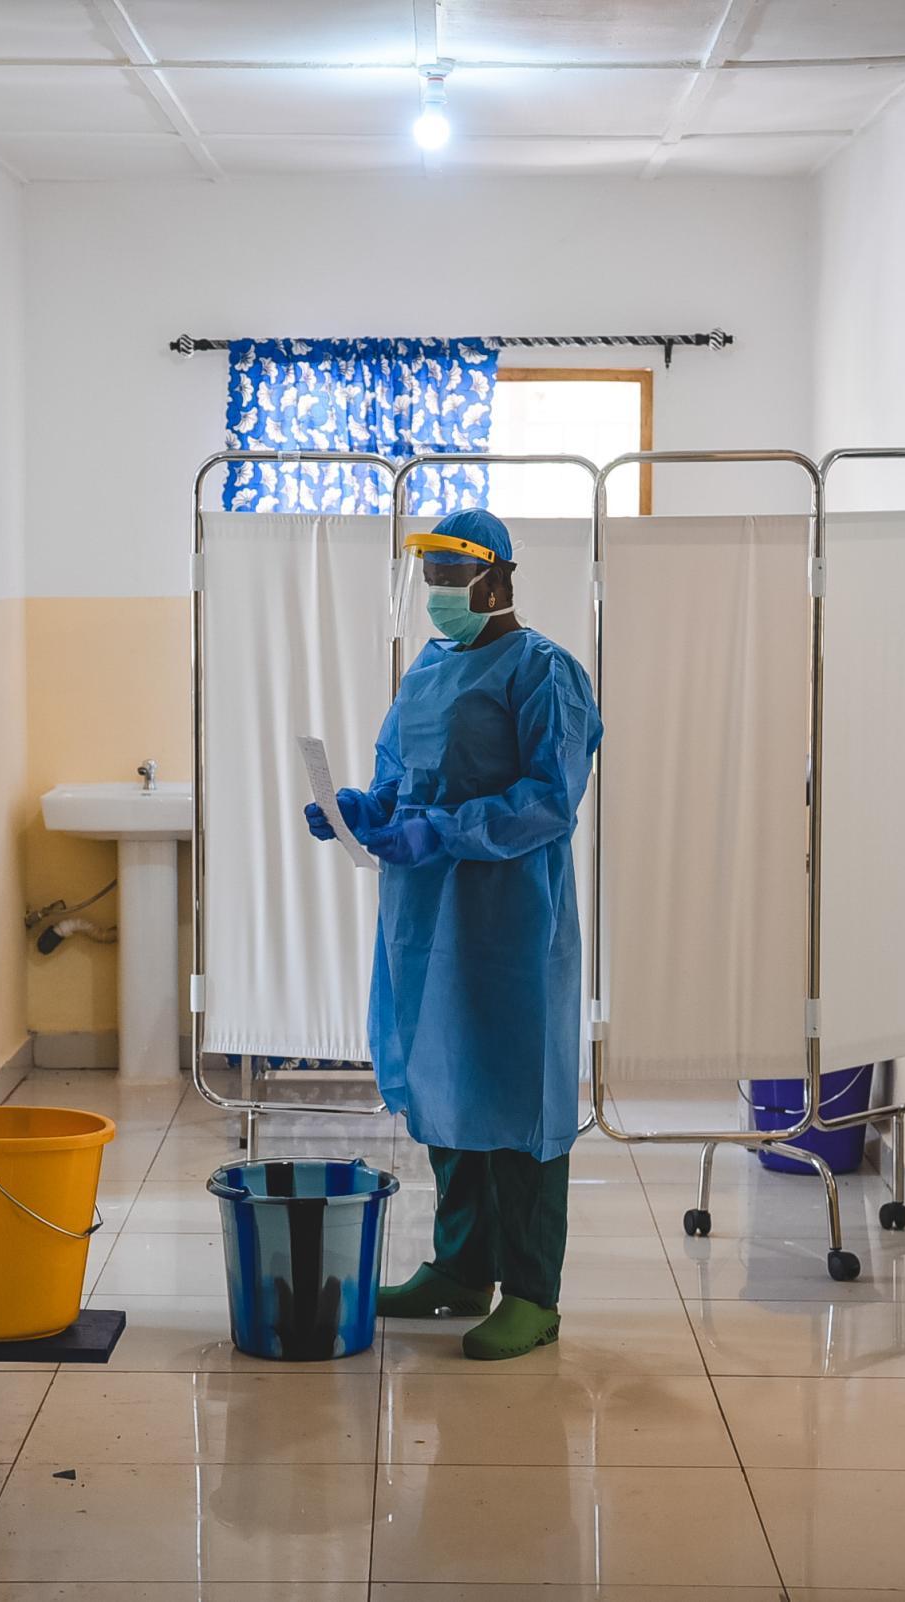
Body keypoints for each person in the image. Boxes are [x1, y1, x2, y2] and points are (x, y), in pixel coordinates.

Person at [303, 506, 602, 1360]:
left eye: (449, 578)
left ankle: (533, 1292)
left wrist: (448, 830)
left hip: (510, 918)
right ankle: (462, 1267)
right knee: (444, 1083)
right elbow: (400, 778)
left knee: (516, 1097)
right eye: (427, 578)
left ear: (497, 578)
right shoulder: (426, 673)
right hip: (427, 916)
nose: (436, 594)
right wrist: (360, 810)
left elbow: (550, 798)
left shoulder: (545, 672)